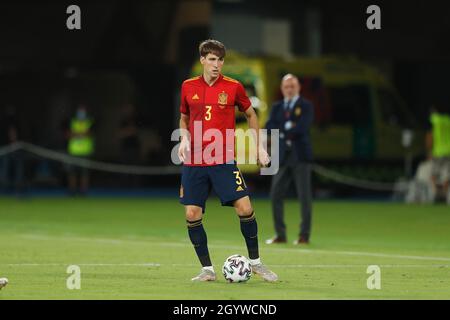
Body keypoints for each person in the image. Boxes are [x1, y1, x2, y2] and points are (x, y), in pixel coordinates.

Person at [177, 39, 278, 282]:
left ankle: (256, 263)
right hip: (195, 161)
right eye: (211, 59)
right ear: (202, 60)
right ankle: (207, 270)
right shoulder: (188, 86)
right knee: (192, 214)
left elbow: (251, 114)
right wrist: (183, 138)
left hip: (222, 159)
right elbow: (184, 118)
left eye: (220, 60)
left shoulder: (233, 87)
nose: (216, 64)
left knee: (245, 208)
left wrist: (259, 147)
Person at [265, 74, 314, 245]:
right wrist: (287, 127)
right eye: (287, 86)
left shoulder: (306, 106)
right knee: (275, 194)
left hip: (300, 156)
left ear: (299, 87)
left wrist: (283, 130)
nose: (290, 89)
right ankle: (280, 234)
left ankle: (304, 235)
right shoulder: (277, 107)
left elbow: (302, 127)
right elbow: (269, 126)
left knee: (304, 197)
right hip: (282, 157)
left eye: (293, 86)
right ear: (282, 89)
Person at [66, 105, 94, 195]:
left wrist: (76, 133)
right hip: (73, 151)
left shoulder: (89, 122)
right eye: (80, 112)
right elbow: (68, 134)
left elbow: (90, 134)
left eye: (83, 112)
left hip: (85, 151)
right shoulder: (72, 122)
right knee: (72, 172)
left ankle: (83, 191)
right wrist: (81, 133)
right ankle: (72, 191)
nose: (81, 114)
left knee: (84, 173)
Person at [0, 105, 25, 194]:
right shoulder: (11, 121)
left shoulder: (4, 120)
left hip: (8, 147)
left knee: (5, 169)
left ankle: (5, 189)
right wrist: (14, 143)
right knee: (12, 169)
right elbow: (12, 132)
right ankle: (13, 189)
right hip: (12, 147)